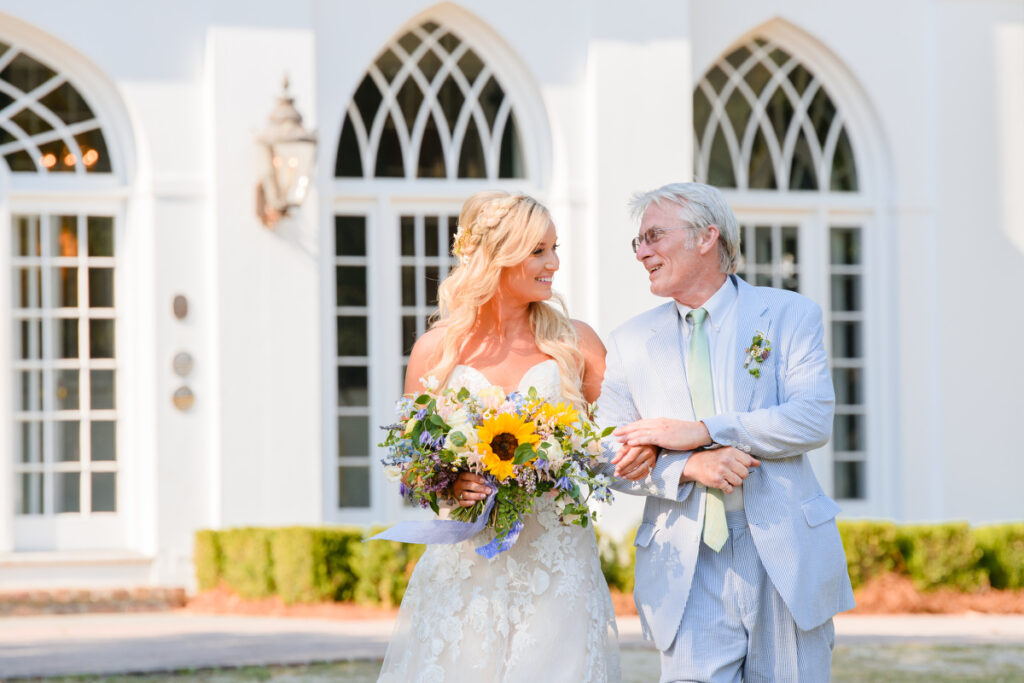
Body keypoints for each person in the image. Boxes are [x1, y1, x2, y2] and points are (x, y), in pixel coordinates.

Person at [378, 191, 649, 683]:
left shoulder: (576, 343)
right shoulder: (435, 351)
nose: (555, 263)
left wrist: (566, 461)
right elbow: (409, 459)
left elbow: (623, 440)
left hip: (557, 560)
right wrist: (449, 482)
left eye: (555, 248)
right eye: (539, 251)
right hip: (465, 565)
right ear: (496, 257)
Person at [599, 182, 855, 681]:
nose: (642, 252)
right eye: (638, 242)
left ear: (706, 237)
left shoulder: (788, 315)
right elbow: (607, 452)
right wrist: (690, 465)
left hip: (786, 553)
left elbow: (811, 417)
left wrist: (702, 431)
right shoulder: (629, 341)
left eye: (653, 236)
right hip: (684, 563)